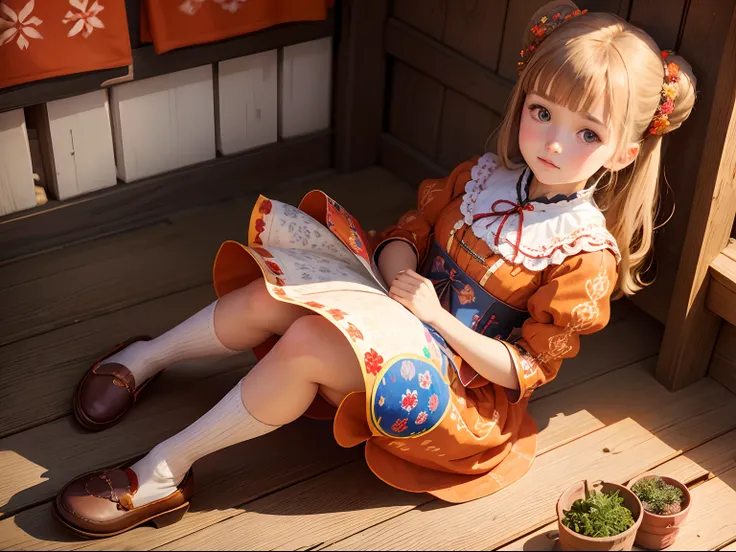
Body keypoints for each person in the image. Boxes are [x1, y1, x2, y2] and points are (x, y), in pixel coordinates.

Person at [54, 0, 697, 538]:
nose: (555, 142)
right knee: (283, 287)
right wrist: (393, 279)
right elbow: (405, 235)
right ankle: (150, 356)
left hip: (458, 394)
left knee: (308, 338)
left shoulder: (583, 254)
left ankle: (167, 468)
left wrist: (433, 316)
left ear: (625, 151)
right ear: (523, 102)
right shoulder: (482, 176)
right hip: (398, 315)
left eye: (588, 133)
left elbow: (525, 370)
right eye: (542, 112)